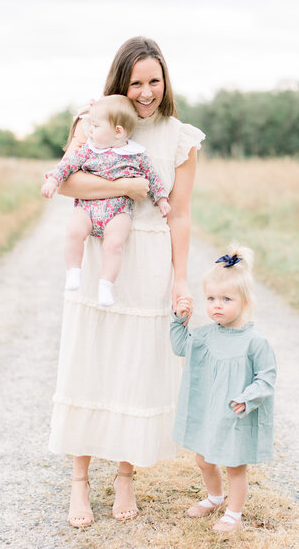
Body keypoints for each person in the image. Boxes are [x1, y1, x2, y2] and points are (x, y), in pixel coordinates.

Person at [48, 37, 205, 527]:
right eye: (136, 82)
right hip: (101, 255)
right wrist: (125, 187)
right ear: (121, 81)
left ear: (165, 81)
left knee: (132, 368)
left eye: (154, 81)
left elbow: (179, 214)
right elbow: (69, 181)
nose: (145, 92)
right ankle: (79, 481)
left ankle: (123, 476)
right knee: (89, 359)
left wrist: (181, 280)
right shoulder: (93, 117)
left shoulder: (180, 137)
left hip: (150, 262)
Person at [170, 242, 276, 534]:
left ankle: (234, 512)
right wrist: (180, 320)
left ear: (245, 302)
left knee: (234, 465)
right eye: (211, 298)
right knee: (203, 459)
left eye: (227, 299)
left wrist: (247, 397)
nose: (217, 305)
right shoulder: (204, 335)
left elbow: (267, 378)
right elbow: (180, 347)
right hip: (209, 411)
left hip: (235, 413)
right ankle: (214, 497)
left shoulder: (255, 342)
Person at [40, 95, 170, 306]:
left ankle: (105, 285)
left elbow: (153, 177)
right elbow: (66, 166)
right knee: (73, 232)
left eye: (96, 126)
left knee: (114, 244)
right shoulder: (87, 151)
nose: (90, 130)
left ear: (118, 131)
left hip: (117, 212)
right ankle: (73, 270)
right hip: (87, 208)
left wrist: (162, 198)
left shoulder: (136, 155)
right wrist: (53, 181)